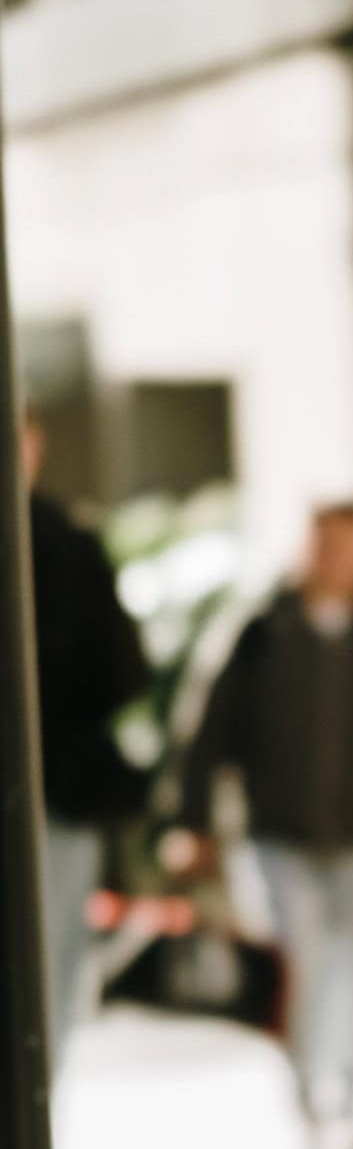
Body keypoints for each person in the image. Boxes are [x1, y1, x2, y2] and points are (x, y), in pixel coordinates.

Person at [172, 501, 353, 1149]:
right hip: (280, 833)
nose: (334, 558)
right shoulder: (259, 633)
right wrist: (191, 821)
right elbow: (207, 730)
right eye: (323, 543)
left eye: (347, 545)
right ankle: (306, 1097)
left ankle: (350, 1099)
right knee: (300, 965)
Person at [23, 405, 152, 1068]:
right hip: (62, 780)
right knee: (52, 958)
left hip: (62, 786)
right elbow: (123, 674)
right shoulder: (71, 541)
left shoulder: (70, 544)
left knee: (56, 955)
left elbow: (120, 671)